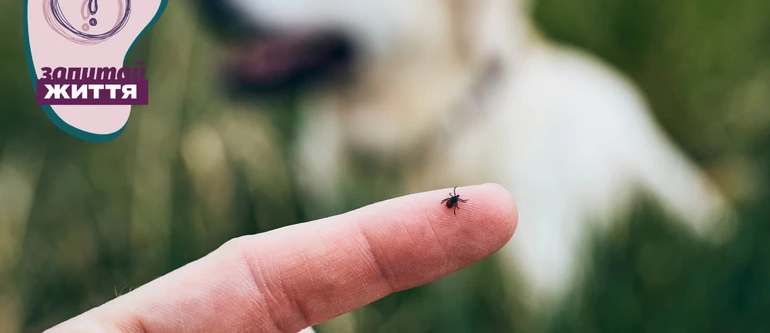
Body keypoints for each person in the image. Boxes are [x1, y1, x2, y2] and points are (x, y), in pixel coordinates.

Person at [45, 184, 517, 333]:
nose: (452, 203)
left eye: (453, 201)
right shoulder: (454, 205)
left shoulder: (452, 205)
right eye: (453, 201)